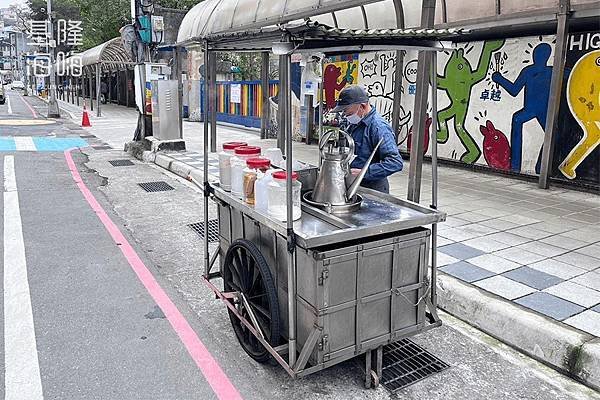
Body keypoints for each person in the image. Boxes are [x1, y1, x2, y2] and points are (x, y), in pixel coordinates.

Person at [332, 85, 403, 193]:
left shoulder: (379, 128)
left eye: (347, 111)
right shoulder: (352, 123)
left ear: (363, 106)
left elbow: (395, 162)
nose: (345, 115)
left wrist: (365, 173)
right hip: (352, 184)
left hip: (372, 189)